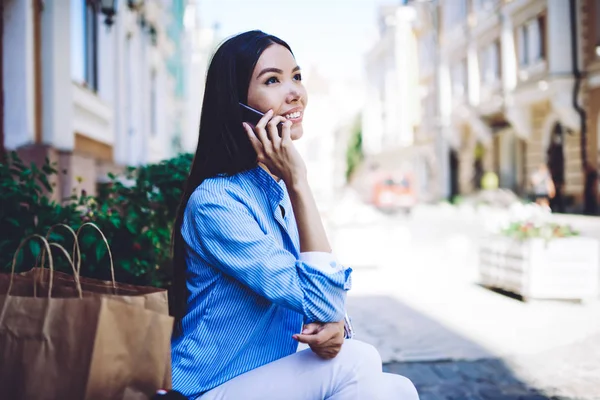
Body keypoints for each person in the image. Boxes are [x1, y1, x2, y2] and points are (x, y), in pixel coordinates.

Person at [170, 30, 419, 400]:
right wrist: (299, 182)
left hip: (261, 376)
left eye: (297, 76)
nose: (295, 92)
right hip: (209, 388)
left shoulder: (272, 188)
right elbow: (319, 297)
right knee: (358, 361)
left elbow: (315, 298)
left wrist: (334, 325)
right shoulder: (216, 203)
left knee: (399, 388)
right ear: (236, 103)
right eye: (273, 80)